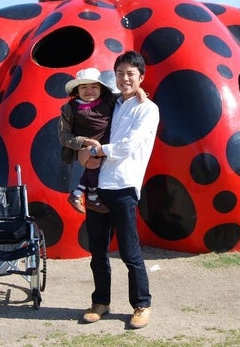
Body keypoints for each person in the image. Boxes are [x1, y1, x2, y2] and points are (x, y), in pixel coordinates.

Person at [79, 51, 159, 330]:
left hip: (124, 186)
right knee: (98, 250)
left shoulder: (148, 109)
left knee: (129, 251)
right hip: (98, 185)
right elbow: (87, 97)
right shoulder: (115, 102)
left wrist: (100, 149)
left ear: (141, 77)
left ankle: (141, 305)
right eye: (120, 73)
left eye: (131, 74)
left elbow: (128, 145)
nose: (125, 78)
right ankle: (101, 302)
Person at [58, 67, 114, 214]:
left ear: (101, 89)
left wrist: (140, 92)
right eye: (84, 87)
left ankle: (79, 193)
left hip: (108, 148)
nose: (89, 90)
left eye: (94, 86)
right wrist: (86, 142)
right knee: (93, 166)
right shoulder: (70, 108)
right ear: (77, 90)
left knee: (94, 169)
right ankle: (91, 196)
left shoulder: (109, 101)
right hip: (89, 149)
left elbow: (127, 97)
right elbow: (64, 136)